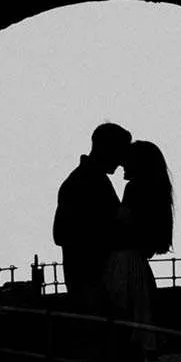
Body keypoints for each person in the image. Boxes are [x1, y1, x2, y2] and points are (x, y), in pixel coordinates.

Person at [104, 139, 174, 362]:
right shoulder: (155, 192)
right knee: (128, 331)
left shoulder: (134, 190)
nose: (123, 163)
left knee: (119, 328)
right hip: (137, 264)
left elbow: (121, 226)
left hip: (123, 265)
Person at [52, 122, 128, 313]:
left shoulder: (86, 179)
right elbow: (60, 233)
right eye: (119, 152)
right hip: (89, 279)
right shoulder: (83, 182)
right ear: (106, 148)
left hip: (90, 278)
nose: (121, 161)